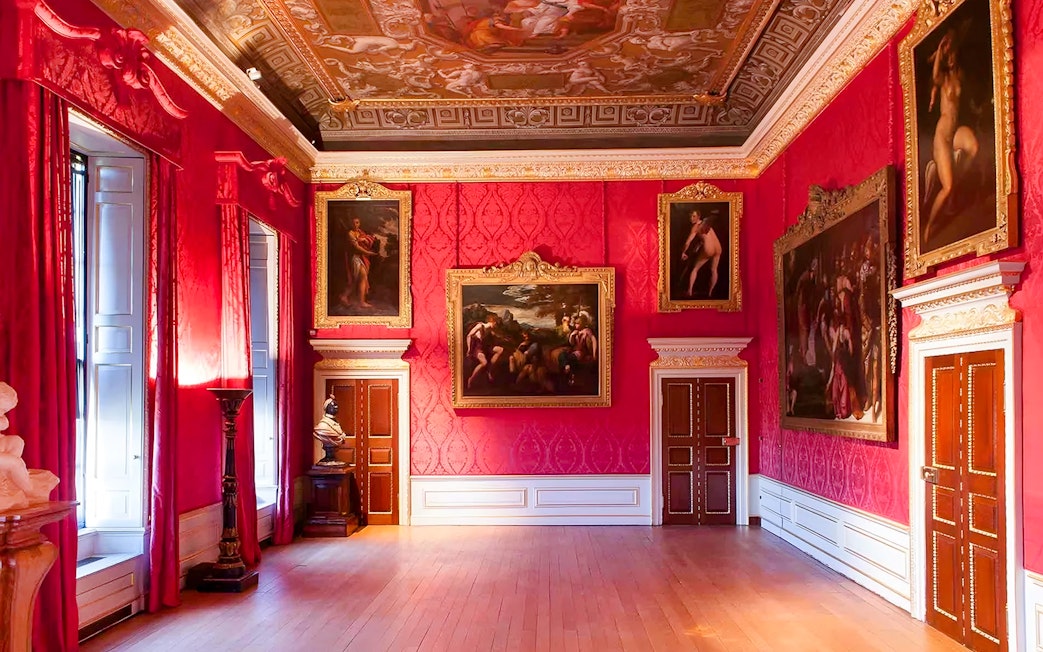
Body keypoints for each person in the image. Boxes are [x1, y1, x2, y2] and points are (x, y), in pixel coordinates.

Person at [922, 28, 980, 244]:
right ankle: (928, 226)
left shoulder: (959, 76)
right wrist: (938, 50)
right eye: (948, 55)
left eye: (953, 53)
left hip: (955, 132)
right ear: (945, 58)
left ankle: (958, 178)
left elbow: (969, 97)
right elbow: (935, 75)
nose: (952, 57)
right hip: (943, 137)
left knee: (974, 148)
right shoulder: (943, 78)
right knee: (947, 188)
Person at [679, 210, 723, 298]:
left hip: (709, 249)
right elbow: (705, 237)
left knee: (695, 269)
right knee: (714, 270)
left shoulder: (695, 227)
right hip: (718, 247)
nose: (691, 218)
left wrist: (683, 252)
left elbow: (688, 242)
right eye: (690, 216)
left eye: (694, 216)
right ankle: (710, 293)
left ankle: (689, 291)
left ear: (699, 216)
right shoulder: (706, 223)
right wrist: (699, 246)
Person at [339, 216, 379, 309]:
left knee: (356, 279)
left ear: (359, 223)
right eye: (353, 223)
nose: (355, 224)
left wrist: (365, 240)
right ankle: (361, 302)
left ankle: (344, 296)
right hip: (355, 258)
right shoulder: (350, 233)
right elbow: (357, 247)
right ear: (350, 224)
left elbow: (369, 242)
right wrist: (369, 253)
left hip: (362, 257)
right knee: (362, 276)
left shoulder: (360, 232)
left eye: (357, 222)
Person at [466, 314, 505, 389]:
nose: (496, 326)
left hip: (484, 347)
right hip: (477, 348)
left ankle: (489, 370)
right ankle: (471, 379)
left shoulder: (490, 329)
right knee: (484, 363)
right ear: (493, 322)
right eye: (496, 324)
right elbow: (469, 335)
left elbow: (496, 336)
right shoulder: (480, 326)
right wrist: (469, 349)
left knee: (500, 350)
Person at [313, 395, 348, 467]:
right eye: (333, 405)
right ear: (327, 408)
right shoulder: (323, 426)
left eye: (336, 405)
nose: (336, 407)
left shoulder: (336, 423)